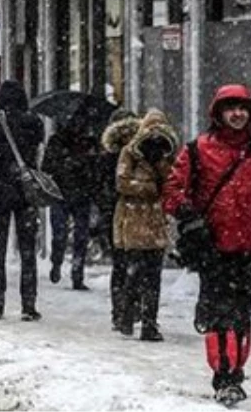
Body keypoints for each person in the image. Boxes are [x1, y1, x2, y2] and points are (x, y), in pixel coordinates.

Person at [162, 84, 251, 406]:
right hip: (212, 246)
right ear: (218, 113)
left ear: (250, 113)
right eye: (230, 108)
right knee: (222, 313)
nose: (237, 114)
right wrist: (187, 215)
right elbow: (172, 189)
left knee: (241, 313)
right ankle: (225, 376)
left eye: (243, 108)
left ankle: (234, 369)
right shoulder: (197, 150)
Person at [0, 80, 46, 321]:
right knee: (27, 251)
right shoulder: (33, 122)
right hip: (25, 192)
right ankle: (28, 303)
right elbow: (35, 155)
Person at [114, 109, 179, 342]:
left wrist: (162, 165)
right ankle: (128, 316)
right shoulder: (130, 152)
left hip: (155, 222)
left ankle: (149, 322)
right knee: (135, 273)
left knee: (153, 277)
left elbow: (173, 184)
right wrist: (149, 188)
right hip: (135, 220)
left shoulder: (168, 155)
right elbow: (122, 183)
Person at [44, 118, 102, 290]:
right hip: (61, 193)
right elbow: (47, 166)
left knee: (80, 236)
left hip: (81, 194)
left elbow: (96, 168)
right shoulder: (56, 141)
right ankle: (57, 261)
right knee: (60, 234)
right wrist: (66, 164)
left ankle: (77, 273)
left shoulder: (89, 143)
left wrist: (84, 166)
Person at [100, 109, 142, 333]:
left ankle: (119, 311)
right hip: (141, 213)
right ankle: (133, 307)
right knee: (139, 263)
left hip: (116, 215)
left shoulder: (108, 154)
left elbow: (99, 187)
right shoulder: (143, 151)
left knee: (120, 264)